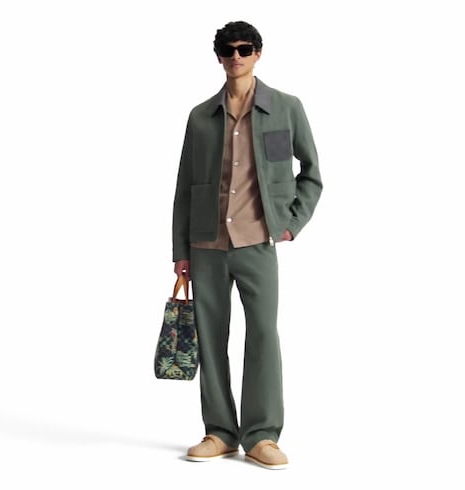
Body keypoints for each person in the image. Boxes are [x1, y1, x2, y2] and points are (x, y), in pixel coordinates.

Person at [171, 20, 322, 470]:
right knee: (210, 339)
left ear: (258, 53)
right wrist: (181, 252)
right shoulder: (200, 116)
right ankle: (219, 432)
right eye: (228, 49)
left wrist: (290, 224)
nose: (236, 56)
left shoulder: (286, 108)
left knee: (263, 337)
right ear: (218, 56)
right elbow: (184, 188)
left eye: (244, 48)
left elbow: (311, 174)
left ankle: (262, 435)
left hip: (258, 241)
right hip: (207, 244)